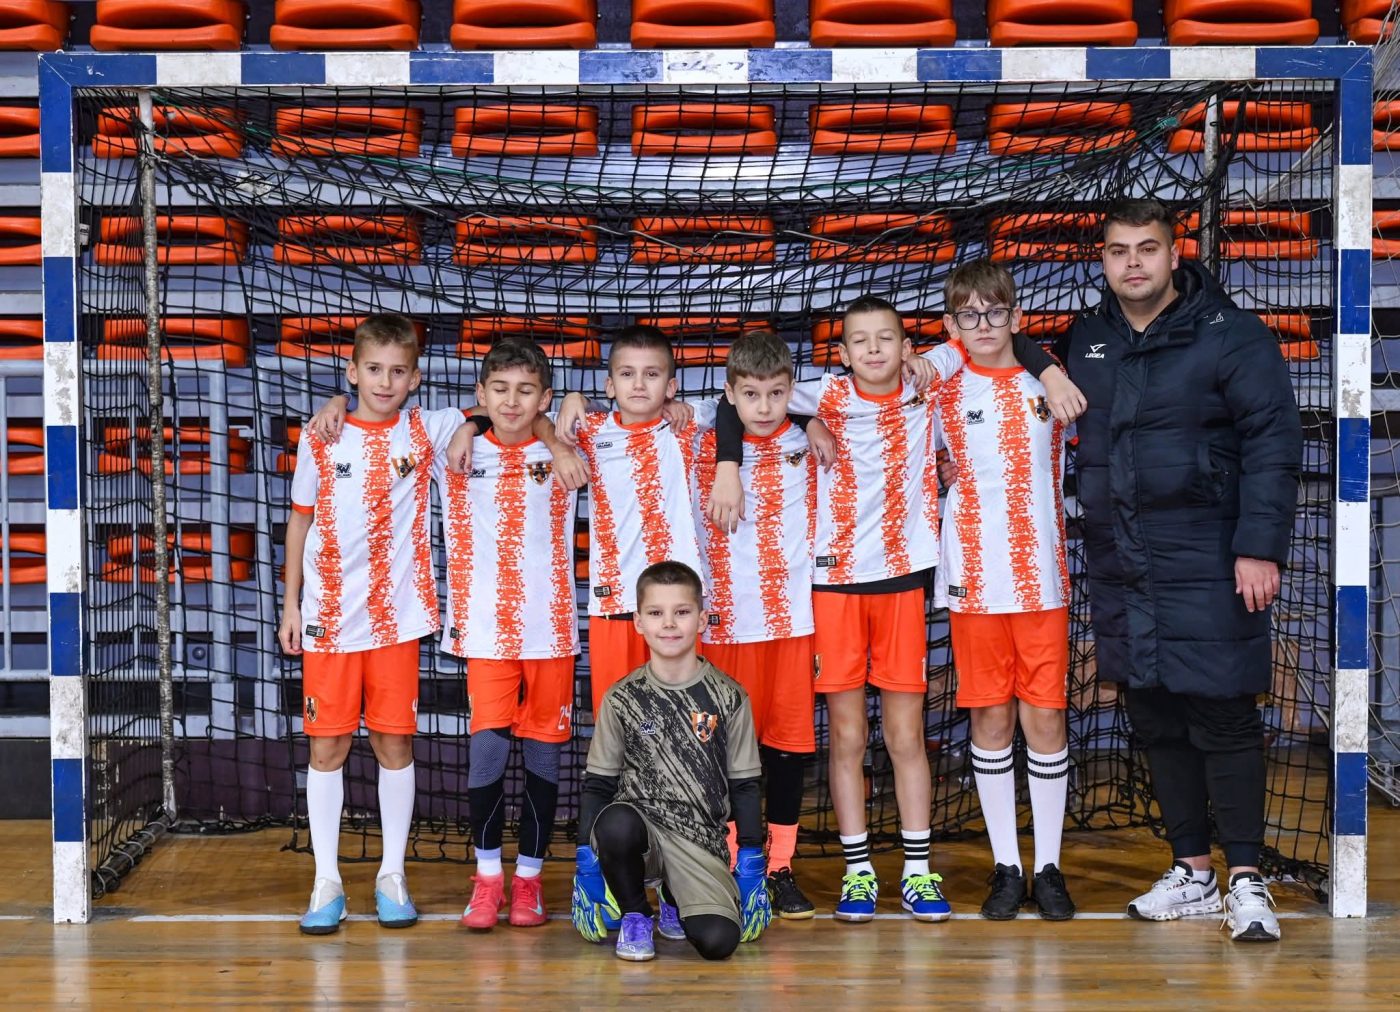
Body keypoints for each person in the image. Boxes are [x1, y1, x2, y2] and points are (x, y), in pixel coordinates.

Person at [708, 297, 1081, 923]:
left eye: (887, 338)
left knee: (905, 736)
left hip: (904, 585)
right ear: (842, 353)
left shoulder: (926, 387)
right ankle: (857, 872)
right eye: (860, 341)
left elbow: (997, 336)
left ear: (909, 348)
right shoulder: (822, 396)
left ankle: (916, 871)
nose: (874, 350)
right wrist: (755, 449)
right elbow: (734, 399)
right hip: (833, 587)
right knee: (848, 737)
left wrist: (1048, 370)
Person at [1046, 197, 1302, 941]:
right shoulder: (1087, 338)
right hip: (1120, 560)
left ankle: (1246, 877)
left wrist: (1259, 545)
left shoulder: (1232, 334)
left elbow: (1273, 440)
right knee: (1155, 715)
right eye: (1119, 250)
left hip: (1211, 555)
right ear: (1103, 259)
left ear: (1174, 253)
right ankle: (1193, 871)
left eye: (1147, 248)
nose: (1134, 263)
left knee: (1223, 712)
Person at [278, 314, 471, 934]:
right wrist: (290, 605)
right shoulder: (320, 437)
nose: (385, 381)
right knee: (327, 747)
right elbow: (300, 522)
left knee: (394, 745)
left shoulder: (426, 429)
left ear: (415, 379)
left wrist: (472, 428)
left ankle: (392, 876)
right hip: (328, 619)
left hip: (396, 622)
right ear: (352, 372)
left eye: (398, 371)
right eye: (373, 369)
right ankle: (326, 882)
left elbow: (495, 407)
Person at [932, 261, 1075, 920]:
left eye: (996, 311)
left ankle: (1049, 867)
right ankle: (1007, 868)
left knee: (1045, 720)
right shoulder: (940, 385)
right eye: (970, 314)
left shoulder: (1053, 380)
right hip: (975, 583)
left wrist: (1048, 367)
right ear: (952, 324)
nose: (984, 324)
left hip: (1042, 581)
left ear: (1016, 316)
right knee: (990, 719)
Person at [435, 338, 580, 931]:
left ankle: (530, 882)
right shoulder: (452, 448)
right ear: (481, 394)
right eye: (499, 390)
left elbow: (617, 409)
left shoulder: (567, 448)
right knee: (488, 756)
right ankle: (488, 879)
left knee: (544, 759)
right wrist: (469, 426)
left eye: (526, 391)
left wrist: (556, 434)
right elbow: (380, 408)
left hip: (551, 633)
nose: (512, 401)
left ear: (544, 398)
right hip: (485, 634)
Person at [572, 561, 771, 962]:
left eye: (681, 612)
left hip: (699, 840)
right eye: (655, 612)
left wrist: (751, 857)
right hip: (640, 833)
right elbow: (598, 783)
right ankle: (635, 914)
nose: (668, 624)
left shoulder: (729, 696)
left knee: (718, 943)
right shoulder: (622, 697)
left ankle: (674, 898)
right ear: (638, 622)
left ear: (701, 619)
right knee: (615, 822)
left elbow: (745, 784)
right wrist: (584, 859)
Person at [692, 330, 820, 918]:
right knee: (724, 755)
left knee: (787, 753)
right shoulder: (701, 441)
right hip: (724, 626)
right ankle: (731, 863)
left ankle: (780, 866)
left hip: (792, 625)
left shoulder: (812, 439)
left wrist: (813, 421)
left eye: (776, 393)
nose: (764, 406)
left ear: (792, 391)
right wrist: (727, 459)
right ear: (729, 394)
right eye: (750, 394)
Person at [542, 325, 706, 714]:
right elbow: (532, 417)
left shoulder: (687, 425)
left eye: (652, 374)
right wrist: (572, 404)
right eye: (627, 373)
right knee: (618, 722)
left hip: (676, 607)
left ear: (671, 387)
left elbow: (746, 405)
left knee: (680, 724)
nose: (639, 384)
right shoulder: (590, 430)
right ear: (610, 385)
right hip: (614, 600)